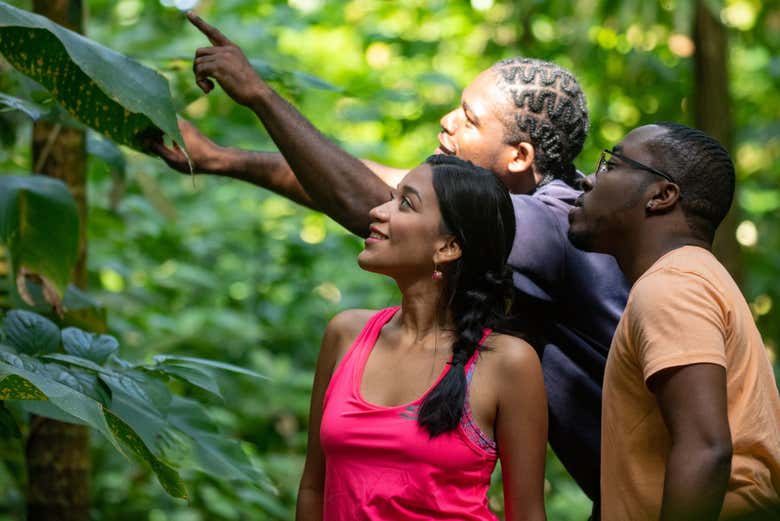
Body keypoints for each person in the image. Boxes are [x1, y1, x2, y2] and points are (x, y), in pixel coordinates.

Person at [152, 12, 629, 511]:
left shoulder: (547, 226)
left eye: (469, 118)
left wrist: (261, 97)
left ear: (517, 157)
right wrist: (225, 159)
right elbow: (369, 183)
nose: (447, 120)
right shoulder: (493, 210)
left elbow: (363, 199)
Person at [297, 154, 547, 520]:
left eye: (405, 203)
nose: (379, 211)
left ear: (448, 247)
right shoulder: (345, 334)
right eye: (390, 198)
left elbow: (526, 514)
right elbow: (312, 490)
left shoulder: (507, 362)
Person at [568, 122, 780, 521]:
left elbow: (706, 449)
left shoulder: (672, 287)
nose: (588, 179)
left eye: (611, 165)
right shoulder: (694, 277)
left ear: (661, 196)